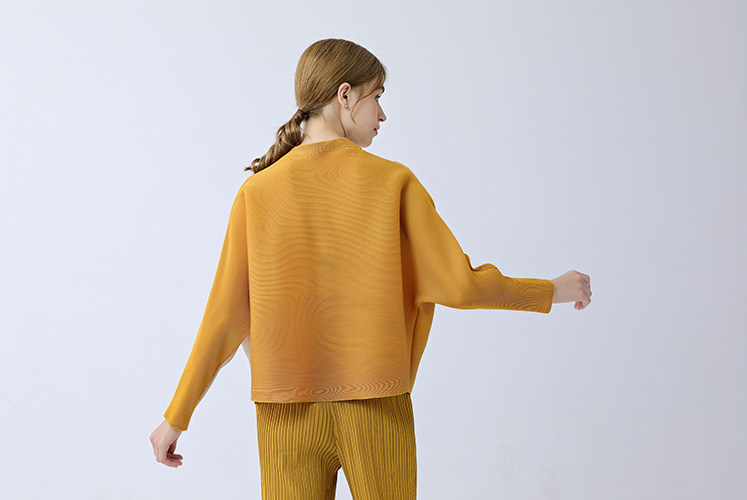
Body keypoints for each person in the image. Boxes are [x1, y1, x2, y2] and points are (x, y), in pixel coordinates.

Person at [149, 38, 592, 499]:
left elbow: (224, 316)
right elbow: (461, 285)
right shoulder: (392, 182)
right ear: (344, 95)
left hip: (285, 417)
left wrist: (176, 416)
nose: (382, 114)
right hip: (377, 407)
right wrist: (551, 290)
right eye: (376, 96)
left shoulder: (256, 193)